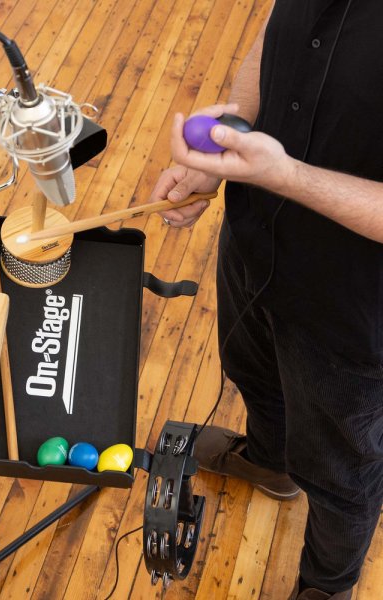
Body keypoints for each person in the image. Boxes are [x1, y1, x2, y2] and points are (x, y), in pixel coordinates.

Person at [149, 1, 383, 599]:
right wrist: (234, 132)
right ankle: (270, 461)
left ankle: (326, 586)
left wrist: (286, 176)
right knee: (252, 371)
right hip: (257, 238)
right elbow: (279, 30)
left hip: (352, 306)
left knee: (341, 475)